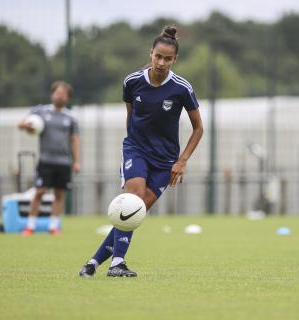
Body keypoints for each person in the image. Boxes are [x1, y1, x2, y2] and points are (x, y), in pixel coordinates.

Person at [79, 26, 203, 277]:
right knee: (132, 200)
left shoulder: (181, 88)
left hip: (165, 161)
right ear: (151, 53)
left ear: (175, 60)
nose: (161, 62)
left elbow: (199, 128)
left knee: (133, 214)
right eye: (158, 56)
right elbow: (131, 117)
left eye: (168, 58)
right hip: (136, 150)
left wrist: (182, 161)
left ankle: (92, 264)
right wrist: (132, 148)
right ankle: (117, 264)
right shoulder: (132, 81)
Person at [18, 81, 81, 236]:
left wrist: (77, 161)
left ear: (67, 98)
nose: (59, 96)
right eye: (57, 93)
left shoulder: (71, 117)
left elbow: (75, 139)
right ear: (52, 94)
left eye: (63, 94)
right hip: (45, 160)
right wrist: (27, 127)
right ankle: (30, 226)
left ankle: (53, 227)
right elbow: (21, 124)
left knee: (59, 194)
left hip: (64, 162)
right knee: (39, 191)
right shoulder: (40, 111)